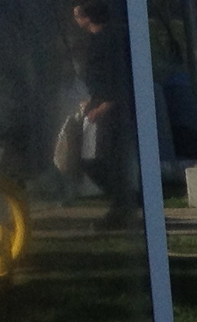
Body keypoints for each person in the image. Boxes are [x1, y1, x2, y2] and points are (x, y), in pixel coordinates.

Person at [73, 0, 135, 228]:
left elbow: (115, 77)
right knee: (95, 159)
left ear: (88, 17)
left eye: (78, 14)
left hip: (110, 108)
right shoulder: (97, 40)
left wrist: (103, 106)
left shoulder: (109, 41)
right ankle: (122, 202)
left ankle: (122, 204)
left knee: (103, 159)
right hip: (99, 103)